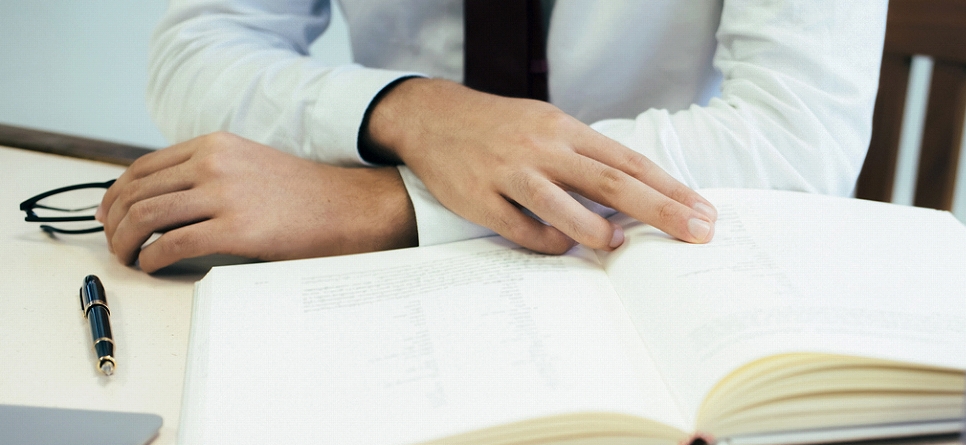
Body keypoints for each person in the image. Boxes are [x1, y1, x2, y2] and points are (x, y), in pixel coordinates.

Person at [98, 0, 886, 273]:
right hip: (380, 291)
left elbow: (797, 135)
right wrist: (413, 112)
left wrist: (386, 202)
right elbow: (199, 49)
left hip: (657, 263)